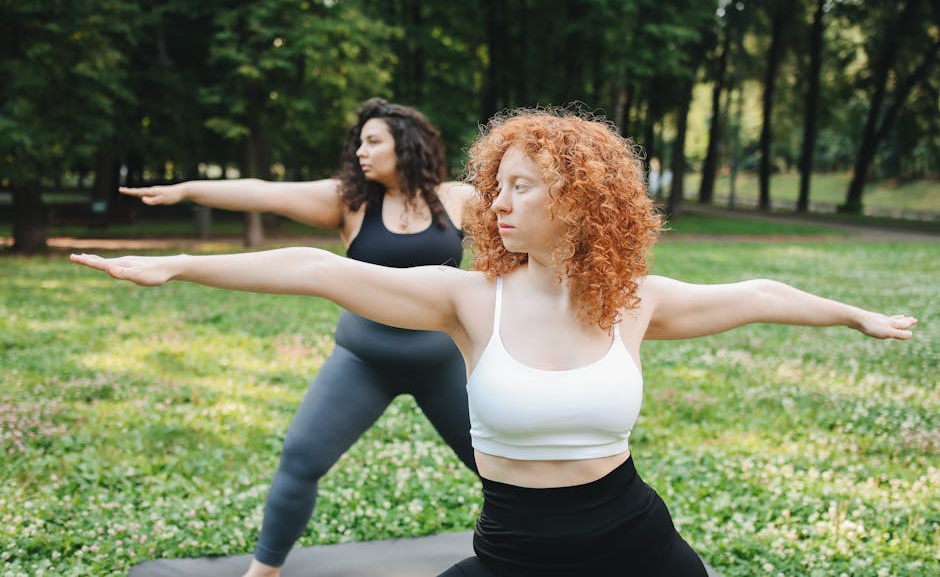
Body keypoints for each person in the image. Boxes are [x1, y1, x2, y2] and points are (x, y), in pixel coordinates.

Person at [72, 107, 916, 576]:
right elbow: (312, 268)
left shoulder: (636, 301)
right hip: (512, 555)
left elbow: (760, 292)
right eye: (494, 186)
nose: (497, 204)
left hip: (636, 543)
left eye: (520, 187)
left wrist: (857, 315)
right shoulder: (469, 301)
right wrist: (177, 263)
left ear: (581, 204)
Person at [120, 98, 478, 577]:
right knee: (300, 458)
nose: (360, 153)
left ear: (406, 145)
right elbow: (262, 192)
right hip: (364, 360)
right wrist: (186, 190)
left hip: (444, 360)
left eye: (373, 142)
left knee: (503, 463)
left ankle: (536, 552)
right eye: (358, 143)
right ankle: (264, 572)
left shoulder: (458, 199)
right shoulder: (349, 201)